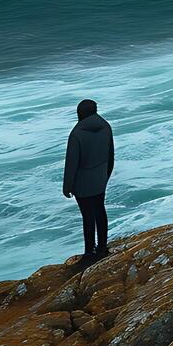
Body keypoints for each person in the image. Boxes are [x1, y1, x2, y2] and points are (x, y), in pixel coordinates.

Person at [63, 98, 114, 265]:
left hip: (82, 184)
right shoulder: (106, 127)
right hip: (100, 179)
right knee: (100, 211)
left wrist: (67, 186)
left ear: (80, 113)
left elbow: (72, 163)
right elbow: (110, 156)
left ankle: (89, 252)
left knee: (87, 216)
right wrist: (105, 176)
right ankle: (102, 248)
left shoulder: (76, 134)